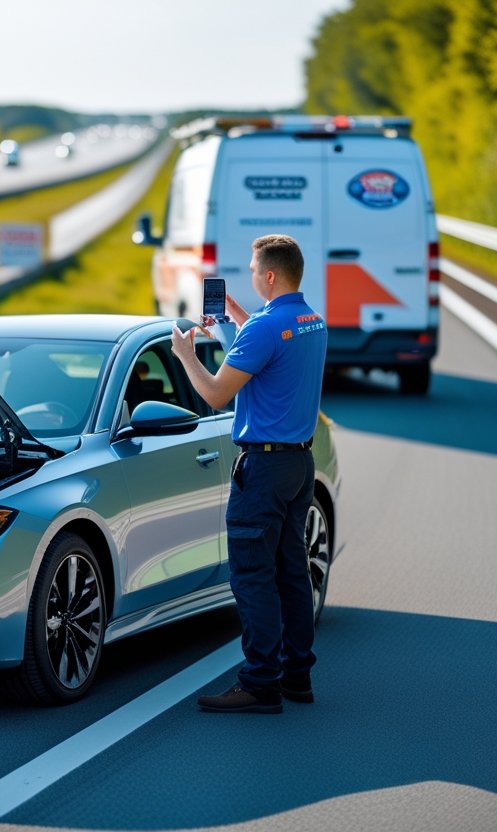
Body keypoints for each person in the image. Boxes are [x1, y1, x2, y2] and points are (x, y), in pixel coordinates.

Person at [169, 233, 328, 714]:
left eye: (255, 270)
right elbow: (268, 345)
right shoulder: (310, 322)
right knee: (291, 573)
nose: (252, 275)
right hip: (298, 463)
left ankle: (260, 683)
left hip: (262, 468)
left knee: (253, 577)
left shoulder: (264, 330)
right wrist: (235, 315)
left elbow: (217, 394)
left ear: (271, 275)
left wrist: (186, 356)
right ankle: (297, 676)